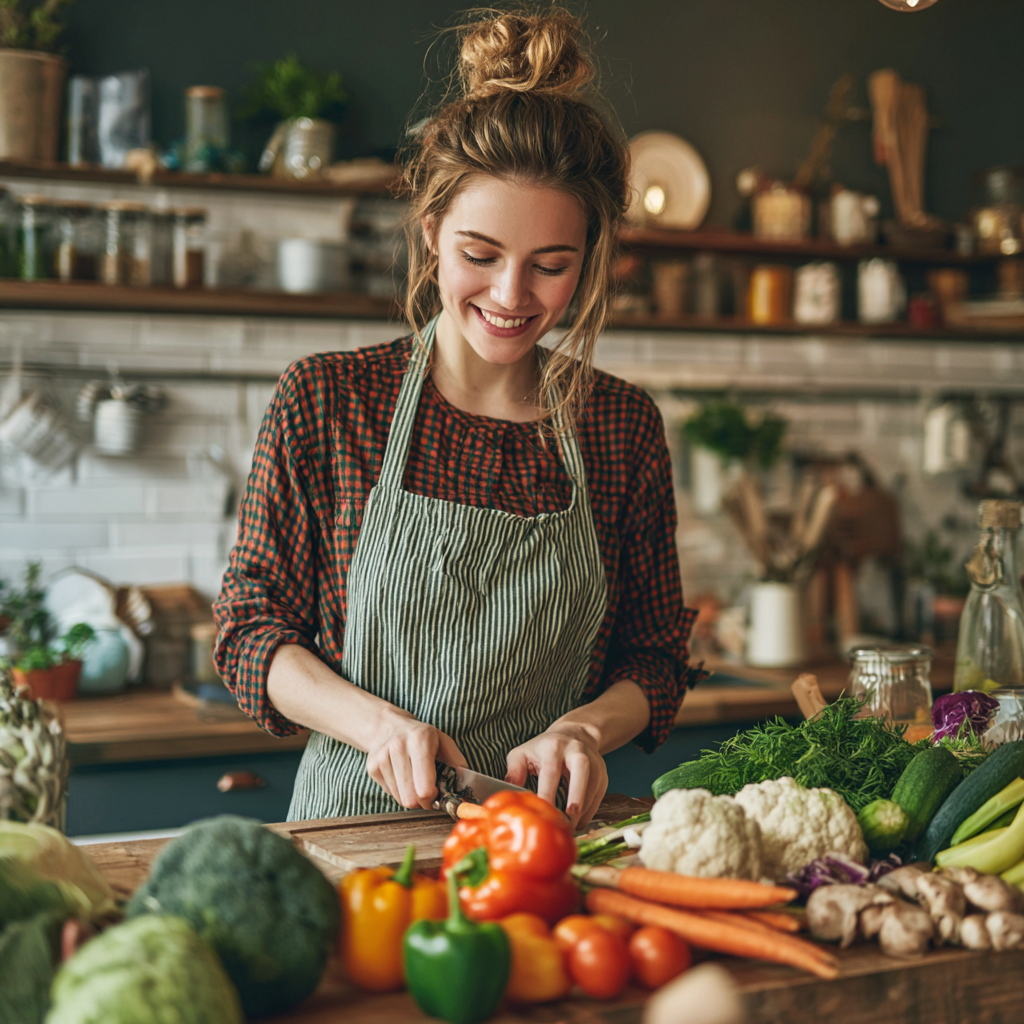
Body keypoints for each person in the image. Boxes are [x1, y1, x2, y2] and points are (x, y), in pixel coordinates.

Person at [213, 7, 701, 829]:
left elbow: (655, 658)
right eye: (480, 256)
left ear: (589, 261)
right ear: (432, 230)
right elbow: (248, 629)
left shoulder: (619, 425)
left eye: (551, 266)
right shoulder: (331, 401)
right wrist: (379, 726)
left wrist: (583, 729)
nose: (512, 298)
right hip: (351, 834)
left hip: (542, 840)